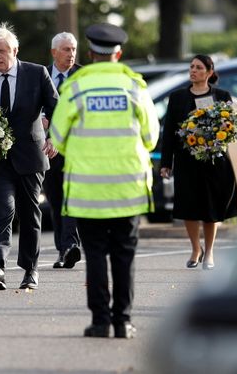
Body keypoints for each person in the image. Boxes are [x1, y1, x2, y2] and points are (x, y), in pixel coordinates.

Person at [50, 23, 159, 340]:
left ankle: (100, 322)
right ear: (119, 54)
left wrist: (81, 152)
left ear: (89, 54)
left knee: (95, 254)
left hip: (87, 190)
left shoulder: (75, 87)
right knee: (124, 255)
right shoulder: (134, 86)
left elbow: (58, 138)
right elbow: (151, 138)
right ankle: (123, 321)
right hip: (127, 189)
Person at [0, 22, 58, 291]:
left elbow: (57, 108)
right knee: (3, 209)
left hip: (30, 155)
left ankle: (30, 270)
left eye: (2, 51)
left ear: (14, 51)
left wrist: (55, 136)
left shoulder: (37, 73)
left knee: (30, 214)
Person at [158, 55, 237, 271]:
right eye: (191, 67)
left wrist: (216, 139)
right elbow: (169, 134)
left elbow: (230, 128)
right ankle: (195, 248)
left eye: (198, 67)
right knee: (188, 208)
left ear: (209, 72)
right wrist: (166, 163)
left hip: (213, 163)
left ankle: (209, 251)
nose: (193, 70)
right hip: (186, 162)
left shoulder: (221, 96)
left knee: (210, 209)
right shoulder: (177, 98)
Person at [43, 32, 82, 269]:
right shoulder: (40, 75)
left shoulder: (83, 76)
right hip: (48, 150)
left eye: (74, 49)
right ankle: (63, 250)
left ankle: (70, 247)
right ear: (54, 52)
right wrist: (40, 120)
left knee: (71, 199)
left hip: (76, 149)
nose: (71, 54)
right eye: (66, 49)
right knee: (56, 201)